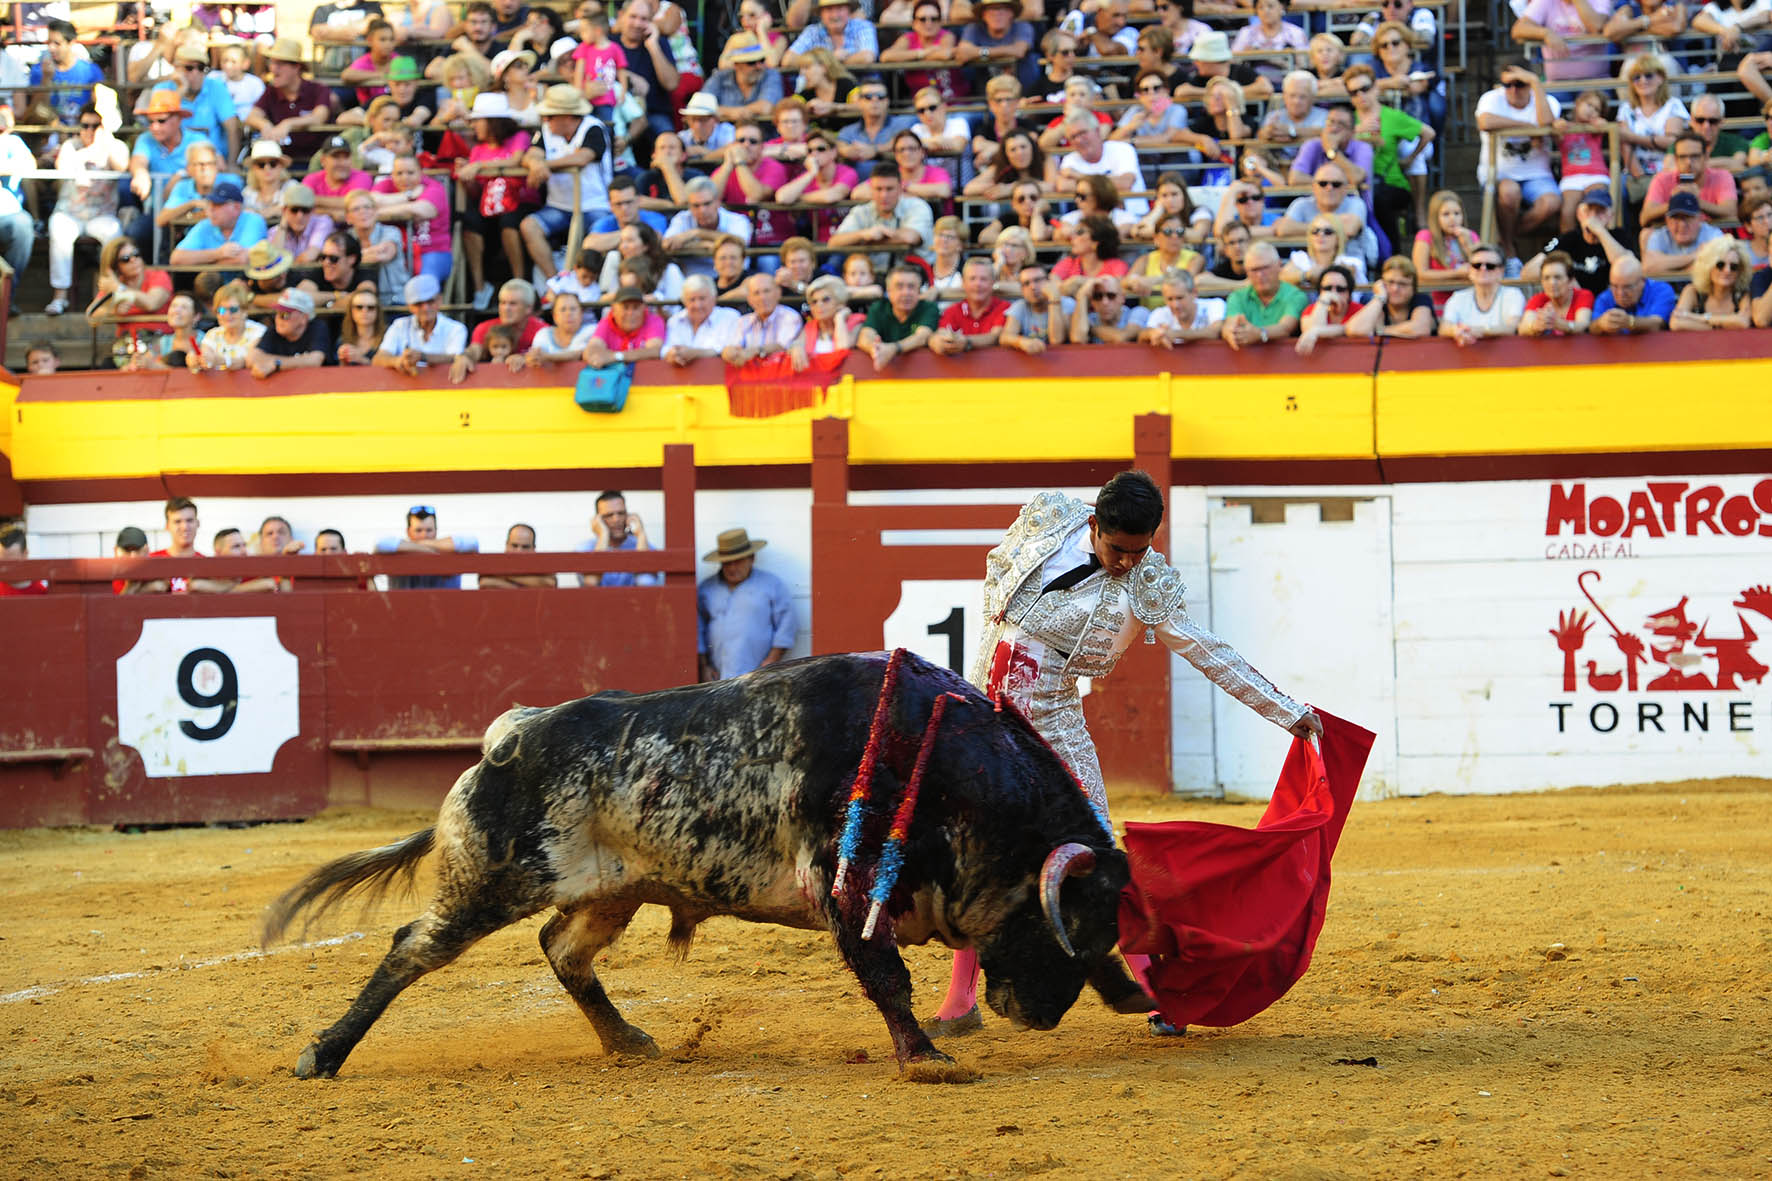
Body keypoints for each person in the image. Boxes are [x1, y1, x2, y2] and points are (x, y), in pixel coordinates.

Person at [920, 470, 1322, 1036]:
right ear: (1093, 525)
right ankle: (960, 1002)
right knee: (974, 851)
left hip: (1053, 726)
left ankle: (1156, 993)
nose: (1129, 563)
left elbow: (1208, 653)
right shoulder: (1049, 520)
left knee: (1098, 859)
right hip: (983, 722)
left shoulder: (1148, 587)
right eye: (1118, 549)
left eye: (1141, 550)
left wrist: (1285, 710)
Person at [518, 85, 613, 281]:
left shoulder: (593, 128)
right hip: (559, 206)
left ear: (568, 116)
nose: (546, 120)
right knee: (529, 226)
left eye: (551, 116)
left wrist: (545, 164)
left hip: (595, 205)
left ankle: (591, 287)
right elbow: (531, 154)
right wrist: (535, 164)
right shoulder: (546, 130)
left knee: (597, 239)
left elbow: (583, 158)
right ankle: (555, 282)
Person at [45, 104, 128, 316]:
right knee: (58, 230)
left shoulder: (115, 146)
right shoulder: (71, 146)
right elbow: (62, 168)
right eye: (85, 125)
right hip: (70, 213)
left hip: (102, 215)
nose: (90, 130)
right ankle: (60, 296)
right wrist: (87, 153)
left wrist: (104, 143)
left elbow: (122, 165)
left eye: (95, 125)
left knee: (113, 233)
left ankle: (108, 293)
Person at [1476, 66, 1560, 272]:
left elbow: (1547, 123)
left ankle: (1507, 235)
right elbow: (1485, 121)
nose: (1513, 89)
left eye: (1520, 84)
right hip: (1499, 175)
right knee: (1509, 191)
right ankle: (1510, 251)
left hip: (1537, 174)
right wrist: (1528, 128)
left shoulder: (1546, 100)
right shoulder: (1491, 98)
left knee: (1552, 203)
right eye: (1508, 84)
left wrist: (1536, 83)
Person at [697, 527, 797, 681]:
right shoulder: (707, 589)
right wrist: (704, 666)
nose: (732, 568)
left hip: (758, 675)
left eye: (738, 561)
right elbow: (698, 628)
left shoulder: (771, 585)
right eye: (727, 563)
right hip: (717, 677)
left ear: (752, 558)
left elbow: (786, 624)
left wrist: (771, 661)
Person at [1522, 185, 1629, 295]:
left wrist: (1600, 231)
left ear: (1610, 216)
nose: (1592, 217)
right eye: (1588, 211)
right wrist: (1567, 281)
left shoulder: (1618, 236)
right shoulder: (1569, 238)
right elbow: (1528, 272)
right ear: (1579, 214)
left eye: (1600, 211)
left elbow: (1628, 268)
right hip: (1575, 303)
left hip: (1608, 303)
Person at [828, 164, 935, 272]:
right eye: (878, 189)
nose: (884, 195)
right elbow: (834, 242)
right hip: (871, 278)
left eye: (889, 189)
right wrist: (864, 234)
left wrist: (875, 237)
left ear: (900, 188)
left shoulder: (917, 206)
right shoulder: (861, 211)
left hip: (912, 275)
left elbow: (911, 237)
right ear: (871, 190)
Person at [250, 38, 337, 166]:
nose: (273, 68)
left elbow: (319, 117)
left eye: (280, 64)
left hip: (317, 162)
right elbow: (252, 116)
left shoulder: (318, 89)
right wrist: (264, 124)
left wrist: (288, 124)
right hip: (281, 163)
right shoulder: (271, 91)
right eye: (272, 62)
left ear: (296, 67)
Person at [1641, 131, 1738, 230]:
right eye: (1682, 157)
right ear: (1676, 159)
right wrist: (1677, 201)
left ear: (1706, 157)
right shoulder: (1662, 179)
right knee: (1645, 234)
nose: (1689, 162)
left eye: (1695, 156)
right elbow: (1644, 219)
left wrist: (1695, 201)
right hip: (1675, 240)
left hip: (1715, 241)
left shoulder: (1722, 176)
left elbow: (1730, 212)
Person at [375, 274, 471, 373]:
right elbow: (378, 358)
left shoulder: (456, 328)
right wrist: (397, 361)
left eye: (430, 301)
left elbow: (455, 358)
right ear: (410, 307)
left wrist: (421, 357)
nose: (426, 308)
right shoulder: (399, 325)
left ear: (439, 300)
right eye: (419, 304)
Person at [1221, 241, 1307, 348]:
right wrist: (1231, 333)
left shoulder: (1296, 295)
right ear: (1247, 272)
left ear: (1279, 265)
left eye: (1265, 268)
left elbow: (1286, 328)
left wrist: (1259, 333)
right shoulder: (1237, 297)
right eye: (1254, 270)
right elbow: (1230, 325)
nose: (1260, 275)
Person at [1439, 243, 1525, 345]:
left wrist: (1479, 330)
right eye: (1477, 265)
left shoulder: (1513, 295)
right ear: (1470, 270)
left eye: (1490, 266)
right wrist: (1457, 331)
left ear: (1501, 271)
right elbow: (1444, 327)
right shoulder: (1458, 297)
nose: (1483, 269)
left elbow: (1511, 327)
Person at [857, 262, 940, 369]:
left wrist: (892, 349)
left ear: (919, 291)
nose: (906, 292)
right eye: (899, 287)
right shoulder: (879, 308)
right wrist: (875, 349)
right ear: (889, 291)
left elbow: (922, 337)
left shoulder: (928, 308)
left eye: (911, 287)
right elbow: (864, 337)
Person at [377, 506, 479, 590]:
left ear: (436, 531)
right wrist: (431, 552)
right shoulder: (447, 549)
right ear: (408, 532)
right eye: (418, 530)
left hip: (445, 611)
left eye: (429, 530)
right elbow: (382, 544)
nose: (424, 535)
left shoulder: (449, 548)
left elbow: (472, 542)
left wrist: (421, 545)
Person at [929, 256, 1009, 356]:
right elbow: (941, 334)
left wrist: (966, 341)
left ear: (993, 282)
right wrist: (937, 342)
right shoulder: (952, 311)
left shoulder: (1004, 308)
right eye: (972, 278)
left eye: (983, 279)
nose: (978, 284)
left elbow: (995, 336)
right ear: (963, 282)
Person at [1669, 237, 1755, 330]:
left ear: (1740, 271)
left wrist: (1698, 317)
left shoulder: (1743, 294)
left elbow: (1743, 322)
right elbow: (1676, 323)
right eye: (1720, 265)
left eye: (1733, 267)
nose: (1727, 270)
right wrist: (1720, 326)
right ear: (1708, 266)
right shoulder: (1692, 291)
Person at [248, 289, 336, 377]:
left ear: (304, 318)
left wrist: (276, 364)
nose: (278, 319)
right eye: (276, 313)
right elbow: (253, 359)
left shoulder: (317, 327)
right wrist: (295, 362)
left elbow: (315, 360)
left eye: (285, 315)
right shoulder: (274, 330)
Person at [722, 272, 804, 365]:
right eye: (756, 293)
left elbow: (783, 346)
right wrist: (729, 352)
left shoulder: (790, 316)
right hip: (750, 377)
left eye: (767, 291)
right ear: (749, 299)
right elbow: (734, 347)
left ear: (778, 293)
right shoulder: (742, 321)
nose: (762, 297)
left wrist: (756, 351)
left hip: (782, 376)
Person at [584, 490, 658, 587]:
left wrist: (641, 534)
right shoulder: (585, 547)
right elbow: (591, 583)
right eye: (609, 515)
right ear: (598, 520)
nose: (616, 519)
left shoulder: (643, 544)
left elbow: (646, 583)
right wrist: (603, 535)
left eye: (621, 513)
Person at [1588, 254, 1676, 335]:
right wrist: (1600, 324)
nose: (1620, 293)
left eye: (1627, 287)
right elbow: (1592, 328)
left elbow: (1658, 324)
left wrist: (1630, 322)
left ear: (1642, 281)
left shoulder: (1661, 290)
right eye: (1614, 286)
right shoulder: (1605, 297)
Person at [1644, 190, 1724, 276]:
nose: (1682, 224)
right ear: (1667, 220)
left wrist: (1665, 264)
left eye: (1688, 217)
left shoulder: (1713, 234)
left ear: (1700, 218)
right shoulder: (1659, 236)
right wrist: (1694, 256)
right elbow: (1648, 267)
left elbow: (1718, 267)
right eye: (1676, 218)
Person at [663, 273, 739, 363]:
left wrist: (695, 353)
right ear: (684, 302)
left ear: (714, 298)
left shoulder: (730, 317)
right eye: (692, 299)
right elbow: (666, 349)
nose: (697, 305)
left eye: (702, 298)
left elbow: (726, 350)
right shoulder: (675, 320)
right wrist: (671, 354)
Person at [1140, 267, 1226, 347]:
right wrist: (1153, 334)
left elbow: (1215, 332)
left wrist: (1176, 334)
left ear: (1194, 293)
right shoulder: (1160, 312)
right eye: (1170, 299)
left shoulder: (1214, 304)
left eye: (1180, 298)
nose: (1175, 305)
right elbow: (1142, 336)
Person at [583, 284, 667, 366]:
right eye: (625, 307)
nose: (630, 313)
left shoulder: (654, 321)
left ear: (644, 308)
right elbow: (592, 348)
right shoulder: (606, 323)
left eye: (635, 307)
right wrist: (596, 357)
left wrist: (616, 356)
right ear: (614, 309)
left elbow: (654, 351)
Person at [783, 0, 879, 69]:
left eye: (840, 8)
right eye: (829, 9)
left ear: (849, 11)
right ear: (821, 14)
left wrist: (821, 64)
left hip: (860, 84)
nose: (835, 15)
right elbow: (788, 60)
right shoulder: (812, 31)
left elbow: (867, 57)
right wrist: (831, 58)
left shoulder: (862, 26)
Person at [791, 274, 864, 366]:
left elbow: (843, 349)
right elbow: (796, 345)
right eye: (814, 302)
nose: (819, 305)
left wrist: (840, 319)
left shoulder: (857, 322)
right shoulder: (810, 326)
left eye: (826, 300)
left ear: (840, 302)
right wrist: (796, 347)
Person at [193, 281, 266, 372]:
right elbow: (206, 356)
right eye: (222, 310)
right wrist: (197, 360)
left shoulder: (258, 332)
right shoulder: (213, 334)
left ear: (245, 311)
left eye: (233, 309)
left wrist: (222, 361)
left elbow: (248, 361)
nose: (227, 314)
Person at [1518, 250, 1595, 336]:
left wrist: (1560, 324)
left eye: (1557, 277)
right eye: (1546, 278)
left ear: (1570, 281)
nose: (1552, 283)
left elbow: (1583, 325)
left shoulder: (1583, 295)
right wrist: (1535, 326)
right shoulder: (1538, 299)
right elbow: (1522, 328)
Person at [1293, 264, 1363, 356]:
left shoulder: (1360, 310)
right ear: (1319, 291)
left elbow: (1354, 329)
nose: (1333, 293)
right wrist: (1324, 300)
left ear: (1349, 293)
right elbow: (1310, 331)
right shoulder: (1310, 310)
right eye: (1327, 288)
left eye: (1340, 289)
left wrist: (1318, 331)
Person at [1070, 274, 1148, 344]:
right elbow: (1078, 339)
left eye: (1111, 296)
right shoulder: (1090, 319)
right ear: (1092, 301)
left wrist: (1090, 329)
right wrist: (1081, 295)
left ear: (1122, 298)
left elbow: (1121, 338)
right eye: (1098, 296)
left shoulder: (1138, 312)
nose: (1105, 302)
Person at [479, 523, 558, 589]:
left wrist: (502, 576)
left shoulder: (543, 565)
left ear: (533, 549)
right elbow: (485, 582)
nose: (519, 551)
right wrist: (530, 585)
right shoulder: (495, 563)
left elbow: (549, 584)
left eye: (525, 547)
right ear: (507, 546)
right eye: (514, 545)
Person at [337, 288, 387, 365]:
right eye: (359, 307)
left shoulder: (388, 338)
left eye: (371, 307)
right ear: (351, 311)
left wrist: (362, 360)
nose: (364, 311)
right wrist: (343, 360)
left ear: (377, 311)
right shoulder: (342, 340)